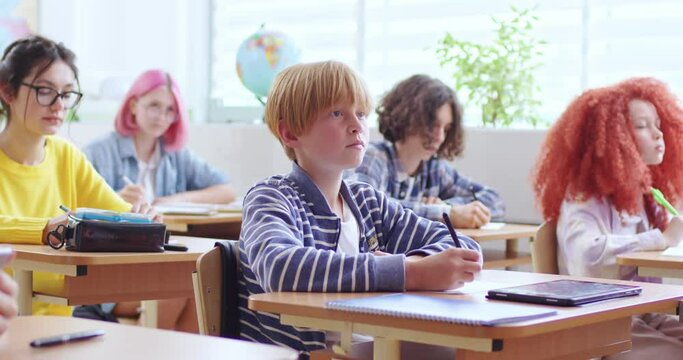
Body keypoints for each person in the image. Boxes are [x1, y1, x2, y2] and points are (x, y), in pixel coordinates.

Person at [238, 61, 482, 359]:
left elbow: (462, 245)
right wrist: (409, 272)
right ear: (290, 134)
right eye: (337, 113)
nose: (357, 125)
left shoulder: (367, 202)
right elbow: (281, 267)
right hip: (309, 354)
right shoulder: (271, 197)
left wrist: (422, 263)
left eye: (362, 114)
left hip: (372, 345)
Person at [0, 35, 156, 316]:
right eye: (45, 91)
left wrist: (140, 218)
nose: (59, 105)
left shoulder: (67, 156)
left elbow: (117, 214)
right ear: (8, 92)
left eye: (67, 93)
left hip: (61, 325)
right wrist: (45, 229)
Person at [533, 77, 683, 359]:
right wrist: (660, 238)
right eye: (641, 126)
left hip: (642, 313)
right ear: (615, 138)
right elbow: (588, 255)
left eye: (658, 125)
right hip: (599, 320)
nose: (658, 134)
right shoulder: (583, 197)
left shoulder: (646, 195)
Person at [346, 75, 504, 229]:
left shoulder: (435, 169)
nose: (440, 137)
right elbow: (366, 206)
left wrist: (450, 206)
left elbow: (495, 201)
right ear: (406, 118)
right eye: (432, 125)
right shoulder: (373, 157)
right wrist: (446, 214)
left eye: (446, 128)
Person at [83, 69, 235, 206]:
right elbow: (73, 203)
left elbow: (226, 191)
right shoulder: (98, 153)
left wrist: (177, 200)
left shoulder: (177, 154)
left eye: (170, 109)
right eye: (154, 105)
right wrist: (114, 199)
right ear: (133, 106)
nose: (162, 117)